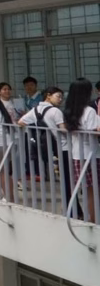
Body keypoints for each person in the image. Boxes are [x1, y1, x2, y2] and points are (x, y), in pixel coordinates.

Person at [64, 78, 98, 222]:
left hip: (77, 154)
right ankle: (94, 219)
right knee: (94, 191)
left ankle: (92, 219)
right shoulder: (89, 111)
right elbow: (92, 132)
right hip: (92, 154)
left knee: (89, 190)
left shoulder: (69, 111)